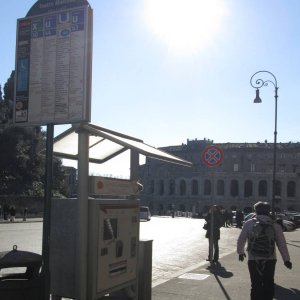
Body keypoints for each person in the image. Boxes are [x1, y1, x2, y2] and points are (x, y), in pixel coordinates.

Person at [237, 201, 292, 300]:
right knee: (269, 283)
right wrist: (286, 260)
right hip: (270, 258)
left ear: (255, 211)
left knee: (255, 284)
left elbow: (241, 239)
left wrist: (240, 252)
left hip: (253, 258)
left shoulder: (249, 223)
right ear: (268, 211)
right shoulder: (275, 225)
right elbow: (281, 244)